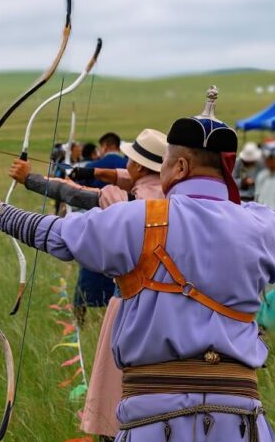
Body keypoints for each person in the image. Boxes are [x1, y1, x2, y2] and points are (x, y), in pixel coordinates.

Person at [0, 88, 275, 442]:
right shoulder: (268, 226)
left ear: (180, 167)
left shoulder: (142, 220)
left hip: (157, 428)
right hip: (240, 428)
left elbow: (57, 234)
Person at [8, 130, 167, 325]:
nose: (127, 164)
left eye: (131, 160)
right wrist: (93, 172)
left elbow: (74, 193)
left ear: (140, 167)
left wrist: (29, 179)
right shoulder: (173, 189)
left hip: (135, 292)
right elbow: (132, 176)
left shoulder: (131, 201)